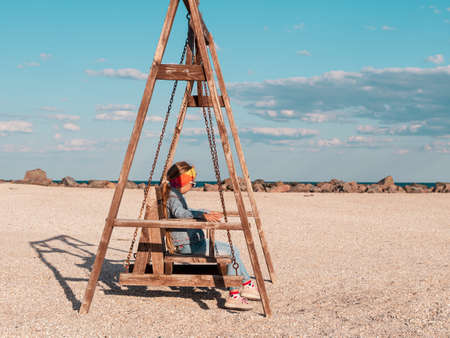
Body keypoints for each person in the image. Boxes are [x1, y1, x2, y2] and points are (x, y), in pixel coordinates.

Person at [161, 161, 260, 311]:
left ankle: (247, 285)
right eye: (192, 183)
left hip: (188, 243)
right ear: (183, 181)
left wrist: (203, 211)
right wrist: (201, 215)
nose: (193, 186)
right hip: (188, 245)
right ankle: (235, 294)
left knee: (231, 249)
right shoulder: (174, 197)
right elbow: (180, 214)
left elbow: (183, 212)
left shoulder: (172, 194)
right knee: (232, 252)